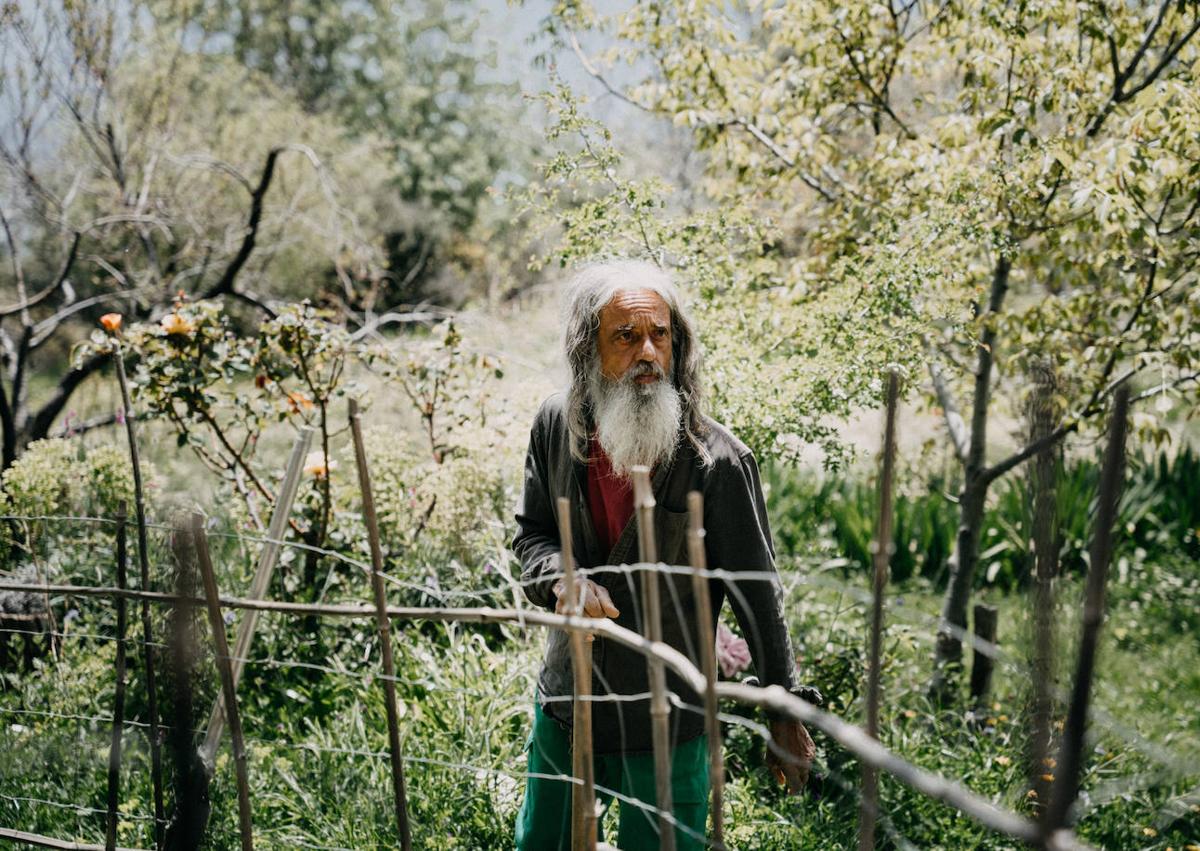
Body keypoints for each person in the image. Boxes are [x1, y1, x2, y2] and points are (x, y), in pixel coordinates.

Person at [512, 259, 814, 850]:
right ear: (587, 352)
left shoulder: (717, 462)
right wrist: (561, 579)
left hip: (669, 714)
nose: (648, 352)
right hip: (570, 697)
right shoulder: (556, 424)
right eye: (625, 337)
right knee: (542, 844)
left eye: (661, 335)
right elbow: (533, 536)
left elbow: (759, 597)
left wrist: (786, 711)